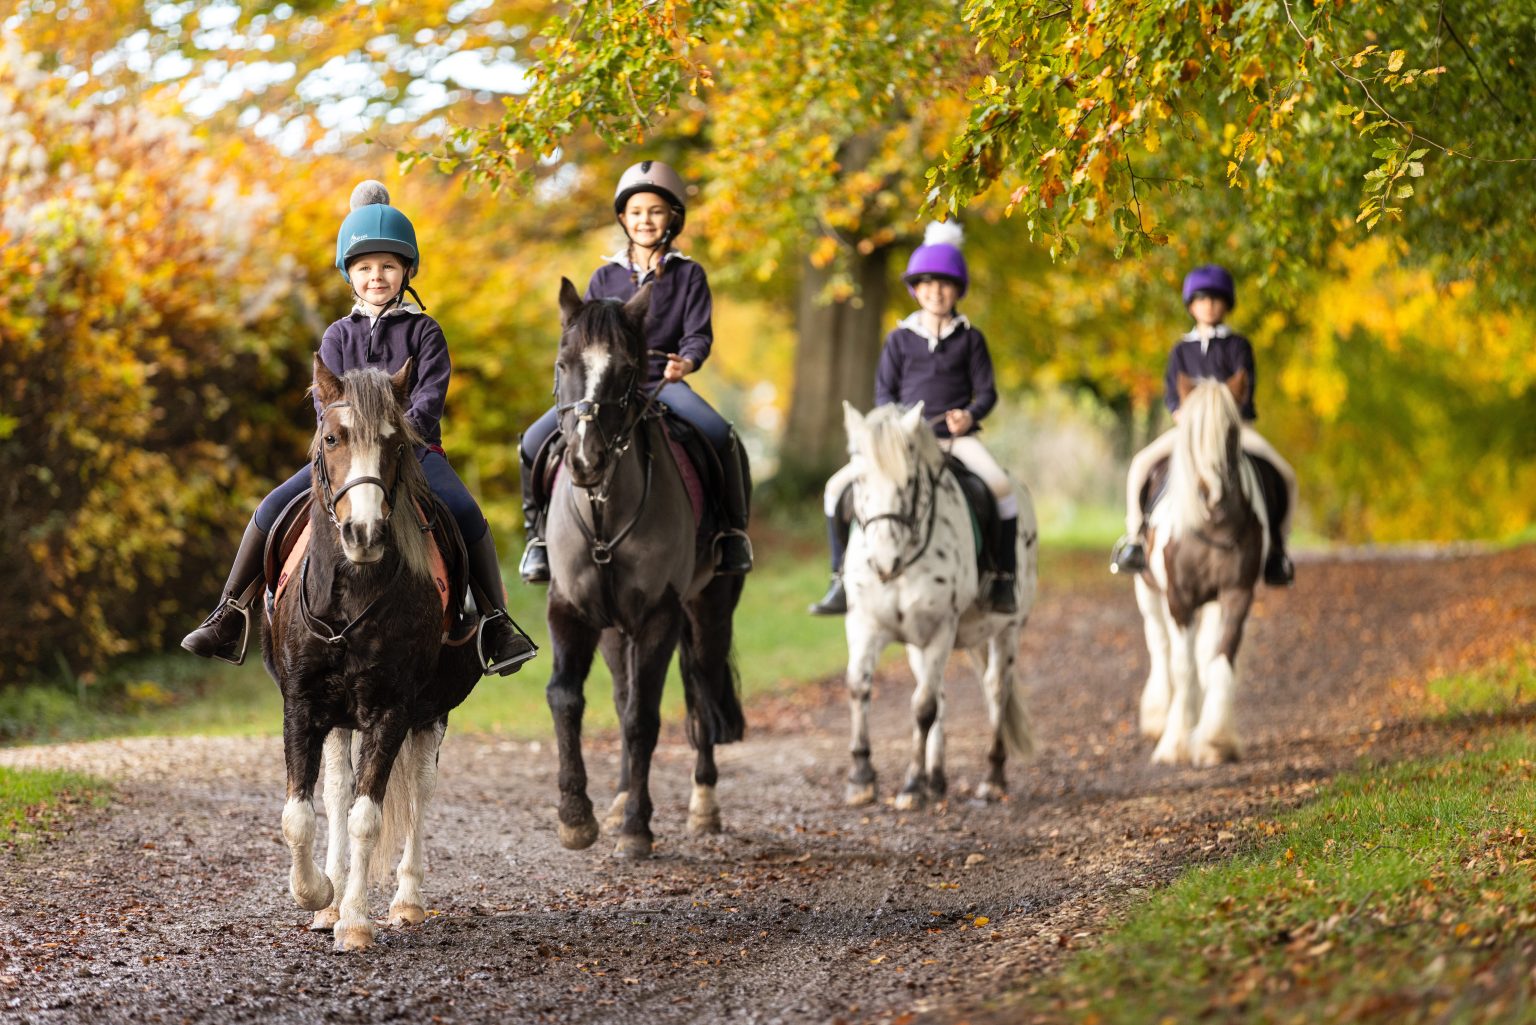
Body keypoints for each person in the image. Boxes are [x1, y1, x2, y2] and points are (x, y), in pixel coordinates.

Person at [181, 180, 538, 675]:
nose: (377, 276)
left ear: (406, 270)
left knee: (465, 511)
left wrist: (392, 439)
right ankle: (229, 612)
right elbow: (325, 406)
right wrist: (350, 444)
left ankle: (497, 621)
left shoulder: (424, 332)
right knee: (268, 509)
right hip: (345, 459)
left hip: (412, 453)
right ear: (350, 274)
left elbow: (428, 401)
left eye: (389, 266)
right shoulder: (336, 336)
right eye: (365, 267)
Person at [517, 160, 752, 582]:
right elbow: (582, 337)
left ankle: (731, 534)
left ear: (672, 218)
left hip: (662, 381)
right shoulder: (603, 276)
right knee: (533, 441)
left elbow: (698, 334)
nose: (645, 220)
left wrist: (688, 362)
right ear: (623, 218)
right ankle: (538, 539)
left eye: (656, 211)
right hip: (604, 388)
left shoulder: (689, 274)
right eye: (637, 212)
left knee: (720, 435)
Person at [809, 221, 1021, 616]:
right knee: (836, 489)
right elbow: (884, 395)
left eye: (944, 284)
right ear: (915, 289)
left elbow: (987, 391)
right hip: (901, 444)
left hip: (953, 439)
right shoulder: (899, 339)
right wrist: (893, 429)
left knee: (1000, 488)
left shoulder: (970, 338)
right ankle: (839, 579)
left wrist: (969, 415)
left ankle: (1002, 577)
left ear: (958, 289)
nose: (935, 291)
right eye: (926, 283)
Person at [1108, 264, 1297, 585]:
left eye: (1215, 299)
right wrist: (1186, 418)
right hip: (1189, 432)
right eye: (1201, 299)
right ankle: (1135, 539)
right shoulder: (1181, 350)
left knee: (1287, 475)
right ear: (1191, 305)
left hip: (1234, 430)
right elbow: (1172, 395)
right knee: (1140, 465)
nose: (1208, 305)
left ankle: (1278, 547)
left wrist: (1221, 420)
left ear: (1226, 304)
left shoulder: (1238, 346)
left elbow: (1243, 393)